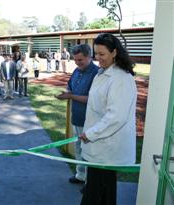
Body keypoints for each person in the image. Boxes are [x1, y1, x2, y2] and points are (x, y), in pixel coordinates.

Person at [80, 33, 137, 205]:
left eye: (102, 54)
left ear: (114, 53)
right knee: (104, 194)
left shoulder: (121, 78)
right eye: (95, 54)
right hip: (100, 146)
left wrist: (91, 134)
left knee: (94, 195)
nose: (97, 58)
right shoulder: (102, 73)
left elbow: (116, 117)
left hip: (107, 148)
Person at [56, 44, 98, 184]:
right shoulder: (76, 70)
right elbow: (71, 88)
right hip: (77, 118)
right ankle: (80, 175)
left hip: (91, 121)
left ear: (89, 56)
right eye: (75, 60)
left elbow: (93, 100)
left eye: (80, 60)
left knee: (90, 152)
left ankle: (90, 182)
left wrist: (71, 96)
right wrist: (67, 93)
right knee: (79, 149)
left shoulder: (97, 73)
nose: (77, 63)